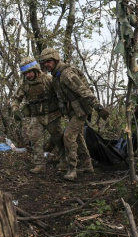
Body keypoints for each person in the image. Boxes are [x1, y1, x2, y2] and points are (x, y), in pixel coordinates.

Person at [39, 48, 109, 181]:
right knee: (78, 138)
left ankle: (72, 169)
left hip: (81, 110)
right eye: (44, 63)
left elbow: (83, 90)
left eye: (48, 61)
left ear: (55, 59)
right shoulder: (55, 76)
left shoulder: (66, 73)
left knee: (68, 136)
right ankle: (88, 166)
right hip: (73, 111)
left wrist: (98, 107)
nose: (46, 65)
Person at [12, 56, 66, 174]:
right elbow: (16, 98)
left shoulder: (48, 80)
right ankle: (39, 164)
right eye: (25, 73)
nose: (28, 75)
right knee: (35, 139)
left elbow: (60, 94)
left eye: (29, 72)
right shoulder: (25, 84)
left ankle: (65, 160)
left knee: (58, 139)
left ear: (35, 70)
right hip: (36, 116)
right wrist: (15, 109)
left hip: (52, 115)